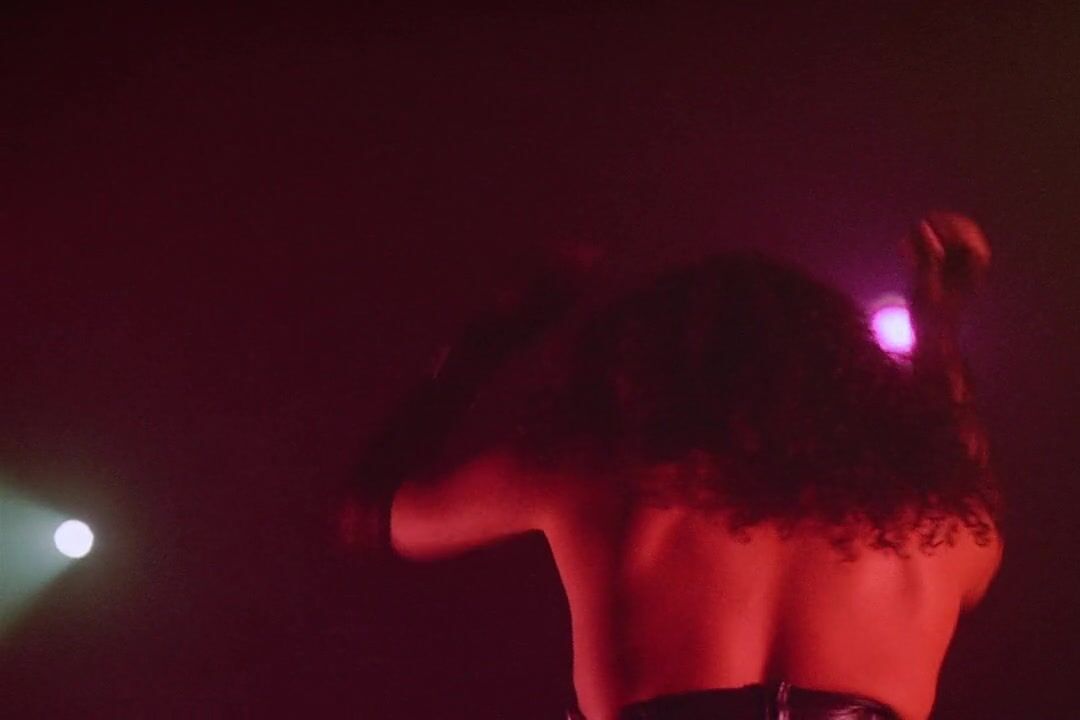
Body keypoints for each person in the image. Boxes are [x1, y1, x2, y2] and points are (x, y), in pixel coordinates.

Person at [340, 214, 1003, 720]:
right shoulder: (942, 526)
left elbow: (372, 514)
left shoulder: (593, 473)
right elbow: (953, 454)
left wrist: (493, 336)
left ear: (646, 368)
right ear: (850, 376)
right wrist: (939, 320)